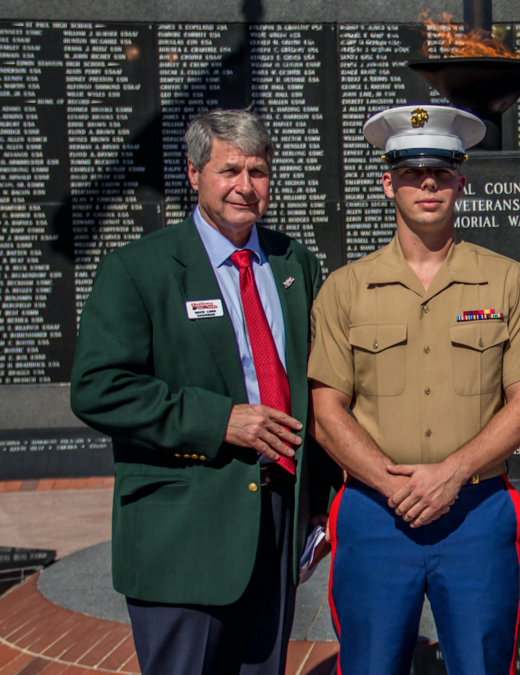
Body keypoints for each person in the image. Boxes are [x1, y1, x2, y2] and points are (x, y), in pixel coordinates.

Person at [307, 104, 520, 674]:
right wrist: (392, 482)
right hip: (376, 513)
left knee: (481, 663)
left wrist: (449, 475)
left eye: (442, 172)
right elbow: (327, 412)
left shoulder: (507, 280)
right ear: (387, 183)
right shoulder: (345, 290)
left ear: (461, 182)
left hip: (475, 513)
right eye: (410, 172)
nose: (427, 184)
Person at [70, 108, 331, 674]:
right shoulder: (138, 269)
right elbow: (97, 388)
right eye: (229, 170)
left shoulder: (294, 264)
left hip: (278, 518)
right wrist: (220, 421)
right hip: (183, 530)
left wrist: (320, 503)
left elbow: (317, 384)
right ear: (194, 174)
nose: (245, 186)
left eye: (258, 171)